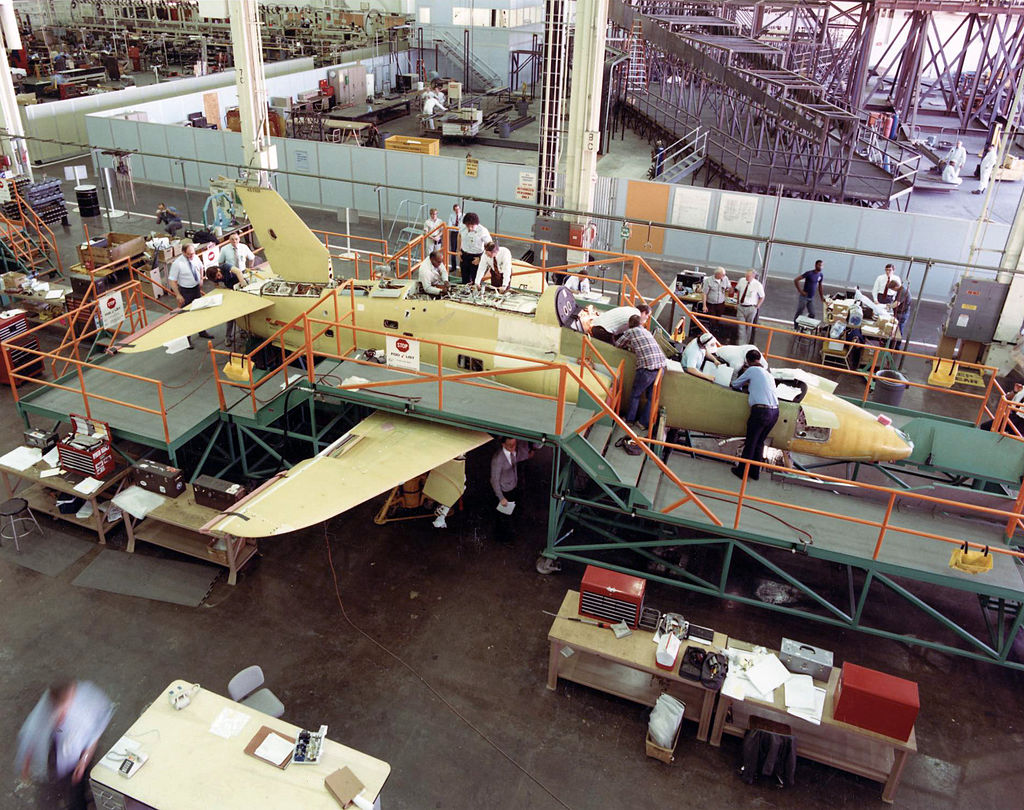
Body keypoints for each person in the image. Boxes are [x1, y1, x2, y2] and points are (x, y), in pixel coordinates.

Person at [16, 679, 113, 810]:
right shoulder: (43, 712)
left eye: (63, 713)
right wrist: (26, 765)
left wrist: (83, 761)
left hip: (77, 756)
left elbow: (94, 735)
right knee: (48, 797)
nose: (60, 717)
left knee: (76, 796)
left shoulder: (86, 708)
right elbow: (30, 736)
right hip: (54, 757)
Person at [730, 348, 779, 481]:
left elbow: (735, 384)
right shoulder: (768, 374)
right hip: (775, 412)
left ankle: (741, 471)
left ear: (748, 361)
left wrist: (744, 382)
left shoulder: (752, 370)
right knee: (759, 442)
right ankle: (755, 473)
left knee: (751, 442)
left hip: (761, 412)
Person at [616, 314, 668, 431]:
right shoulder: (646, 331)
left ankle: (629, 420)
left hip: (647, 369)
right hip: (661, 368)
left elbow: (618, 344)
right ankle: (642, 423)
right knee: (651, 397)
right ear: (641, 323)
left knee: (635, 394)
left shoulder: (630, 332)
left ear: (630, 324)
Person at [168, 243, 214, 346]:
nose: (191, 256)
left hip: (196, 289)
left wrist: (201, 279)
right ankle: (187, 339)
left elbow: (201, 267)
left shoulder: (195, 257)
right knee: (187, 316)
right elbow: (172, 280)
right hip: (185, 291)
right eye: (189, 254)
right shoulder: (177, 263)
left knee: (199, 311)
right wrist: (178, 295)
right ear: (183, 252)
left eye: (192, 253)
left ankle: (202, 331)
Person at [490, 436, 533, 544]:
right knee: (505, 516)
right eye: (510, 446)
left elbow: (519, 459)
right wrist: (501, 497)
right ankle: (505, 539)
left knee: (508, 514)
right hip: (505, 491)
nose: (513, 448)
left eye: (514, 445)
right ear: (503, 445)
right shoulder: (498, 459)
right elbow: (494, 480)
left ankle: (504, 534)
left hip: (513, 486)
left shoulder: (513, 452)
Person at [457, 212, 490, 285]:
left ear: (476, 224)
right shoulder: (463, 227)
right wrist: (458, 251)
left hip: (476, 257)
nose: (469, 228)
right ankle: (465, 294)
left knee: (476, 281)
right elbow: (459, 235)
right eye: (467, 226)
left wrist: (480, 258)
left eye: (472, 226)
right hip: (464, 255)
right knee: (464, 279)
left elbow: (490, 246)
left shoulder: (482, 231)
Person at [735, 269, 764, 345]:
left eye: (748, 276)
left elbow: (762, 296)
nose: (746, 277)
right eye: (746, 276)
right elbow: (738, 291)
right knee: (741, 327)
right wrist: (737, 302)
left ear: (753, 276)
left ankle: (746, 344)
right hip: (741, 307)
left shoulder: (758, 285)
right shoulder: (741, 280)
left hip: (751, 308)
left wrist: (757, 306)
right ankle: (741, 344)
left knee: (749, 327)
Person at [793, 259, 825, 326]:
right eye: (819, 265)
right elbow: (796, 280)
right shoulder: (809, 273)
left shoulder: (820, 275)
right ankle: (796, 326)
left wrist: (822, 297)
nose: (821, 267)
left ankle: (804, 324)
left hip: (811, 298)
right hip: (804, 297)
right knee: (799, 311)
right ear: (816, 265)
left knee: (812, 314)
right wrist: (801, 291)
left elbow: (820, 286)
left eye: (822, 265)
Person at [701, 267, 730, 336]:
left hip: (720, 304)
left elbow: (728, 287)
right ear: (717, 274)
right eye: (722, 275)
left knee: (718, 319)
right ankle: (712, 334)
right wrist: (704, 305)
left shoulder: (725, 279)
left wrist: (728, 289)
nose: (724, 276)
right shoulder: (708, 281)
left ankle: (715, 331)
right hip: (711, 304)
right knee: (712, 321)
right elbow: (704, 293)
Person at [447, 203, 462, 273]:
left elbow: (461, 226)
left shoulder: (463, 216)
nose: (457, 211)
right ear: (454, 210)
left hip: (460, 234)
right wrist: (456, 227)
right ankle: (453, 266)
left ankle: (461, 267)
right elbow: (450, 226)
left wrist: (455, 226)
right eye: (455, 209)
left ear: (460, 209)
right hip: (453, 233)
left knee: (461, 250)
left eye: (458, 209)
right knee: (453, 250)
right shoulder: (451, 216)